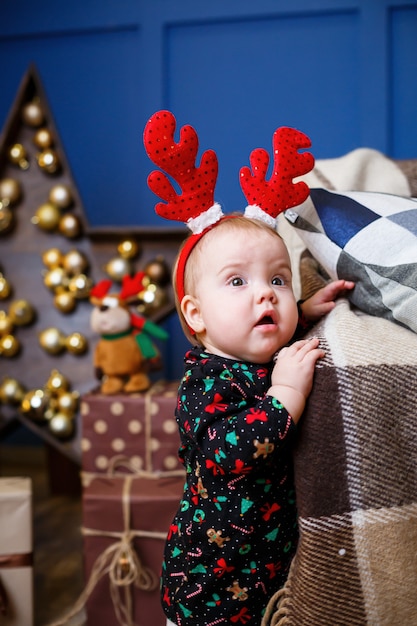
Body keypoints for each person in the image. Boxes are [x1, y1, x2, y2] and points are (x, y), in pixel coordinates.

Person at [143, 110, 354, 625]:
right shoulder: (202, 383)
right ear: (196, 315)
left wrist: (302, 312)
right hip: (209, 588)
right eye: (237, 282)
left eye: (279, 280)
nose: (265, 292)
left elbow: (262, 336)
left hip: (263, 578)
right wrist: (285, 394)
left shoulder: (252, 351)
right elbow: (229, 452)